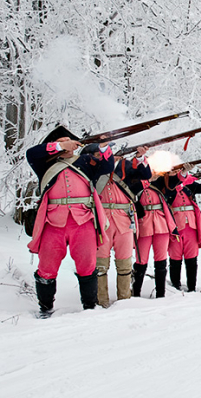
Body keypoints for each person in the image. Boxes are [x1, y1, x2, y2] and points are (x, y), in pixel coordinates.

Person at [25, 126, 114, 315]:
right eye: (62, 141)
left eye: (68, 141)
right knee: (47, 266)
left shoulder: (85, 162)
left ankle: (90, 306)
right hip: (52, 221)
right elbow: (30, 153)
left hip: (83, 220)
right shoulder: (44, 163)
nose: (66, 143)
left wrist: (105, 147)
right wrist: (58, 146)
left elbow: (107, 167)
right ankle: (46, 307)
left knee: (87, 264)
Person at [95, 146, 152, 307]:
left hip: (124, 219)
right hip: (102, 219)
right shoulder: (96, 167)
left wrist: (140, 157)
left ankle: (124, 300)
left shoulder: (126, 167)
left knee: (125, 263)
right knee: (100, 264)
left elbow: (146, 175)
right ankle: (102, 301)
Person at [154, 165, 201, 291]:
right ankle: (175, 286)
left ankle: (192, 287)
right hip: (175, 226)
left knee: (191, 257)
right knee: (175, 257)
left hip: (192, 225)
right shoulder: (166, 185)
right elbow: (166, 194)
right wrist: (181, 184)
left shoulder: (188, 184)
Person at [130, 170, 179, 298]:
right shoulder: (135, 182)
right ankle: (136, 294)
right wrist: (147, 181)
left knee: (161, 260)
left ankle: (161, 294)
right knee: (141, 261)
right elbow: (131, 191)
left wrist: (180, 174)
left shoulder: (159, 182)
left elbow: (171, 188)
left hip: (161, 224)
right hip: (144, 224)